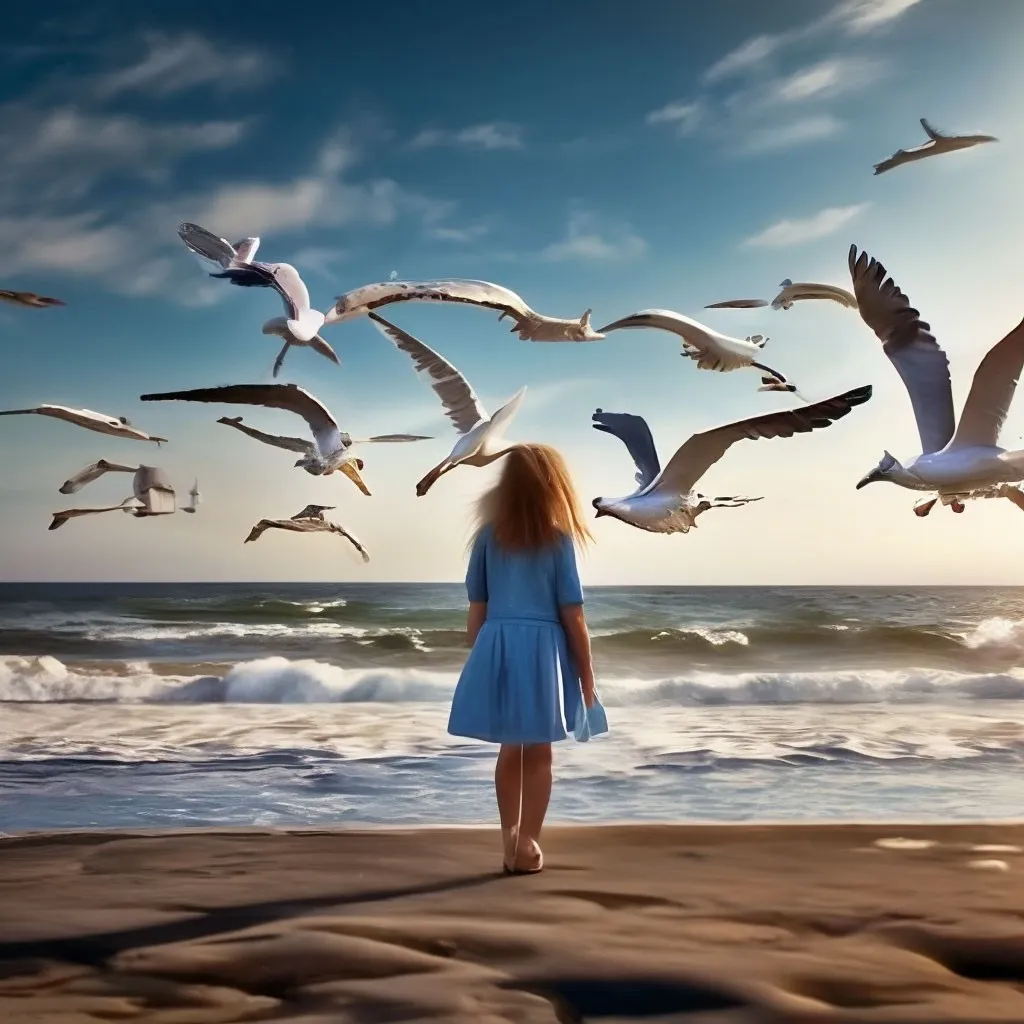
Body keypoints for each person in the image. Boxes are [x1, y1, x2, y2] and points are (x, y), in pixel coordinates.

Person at [448, 443, 596, 875]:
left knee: (510, 747)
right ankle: (530, 837)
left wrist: (480, 658)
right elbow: (574, 614)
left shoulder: (487, 538)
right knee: (540, 750)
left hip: (497, 644)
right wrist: (586, 673)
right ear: (553, 487)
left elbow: (477, 607)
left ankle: (509, 838)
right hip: (543, 650)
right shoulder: (558, 541)